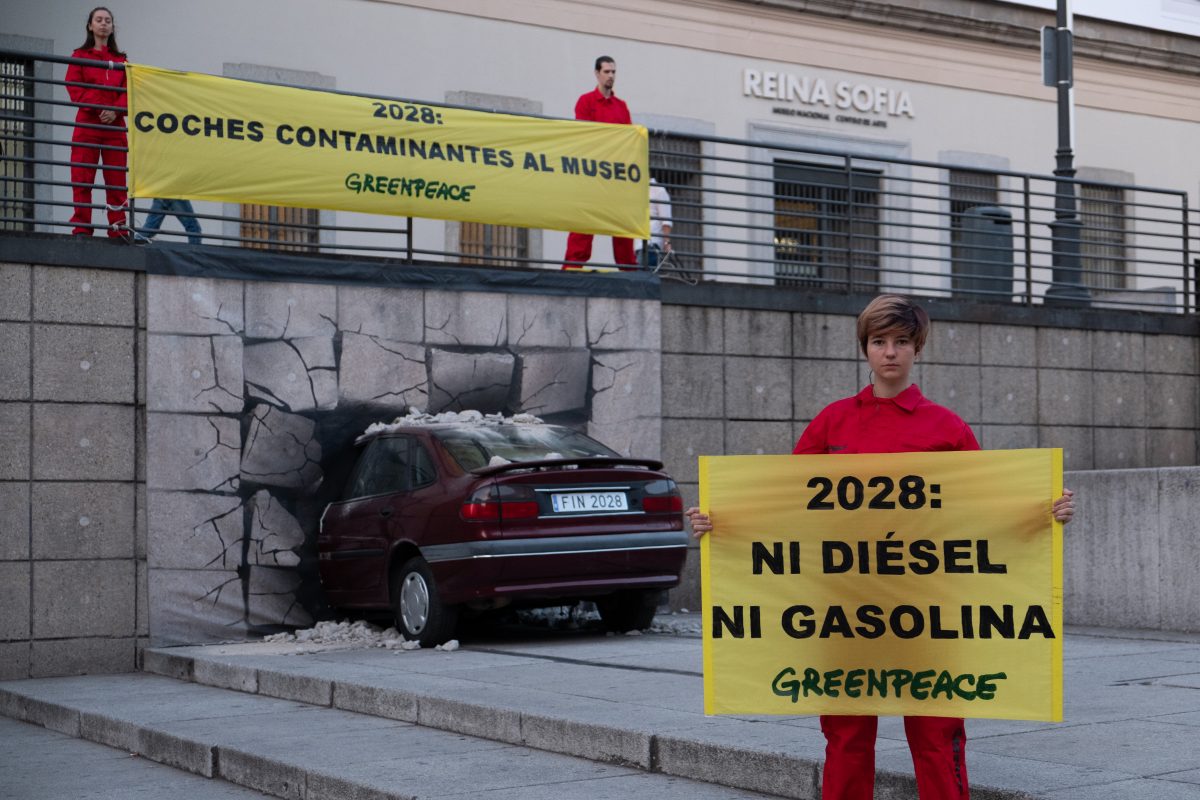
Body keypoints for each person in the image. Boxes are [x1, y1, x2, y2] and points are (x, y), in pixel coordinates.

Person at [686, 294, 1076, 800]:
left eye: (901, 342)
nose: (889, 352)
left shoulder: (946, 427)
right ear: (865, 350)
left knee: (936, 733)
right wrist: (721, 520)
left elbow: (987, 503)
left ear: (917, 349)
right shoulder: (833, 422)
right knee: (846, 734)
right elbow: (785, 499)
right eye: (879, 342)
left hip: (930, 604)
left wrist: (1044, 511)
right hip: (845, 605)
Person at [562, 56, 638, 271]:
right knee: (584, 222)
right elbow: (584, 135)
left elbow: (628, 139)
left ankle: (629, 270)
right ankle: (572, 268)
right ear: (597, 74)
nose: (611, 76)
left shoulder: (621, 106)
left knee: (622, 222)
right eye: (606, 72)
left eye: (613, 72)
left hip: (615, 174)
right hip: (592, 173)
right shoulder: (585, 101)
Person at [66, 7, 132, 240]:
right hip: (87, 125)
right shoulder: (79, 56)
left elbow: (131, 90)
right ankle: (82, 227)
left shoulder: (122, 60)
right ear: (90, 26)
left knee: (116, 180)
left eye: (108, 20)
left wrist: (115, 110)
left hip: (114, 127)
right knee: (82, 177)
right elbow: (74, 88)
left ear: (112, 27)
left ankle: (118, 227)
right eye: (99, 20)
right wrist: (101, 108)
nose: (103, 24)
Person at [638, 178, 673, 268]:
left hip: (652, 242)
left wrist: (667, 242)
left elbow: (666, 219)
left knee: (644, 274)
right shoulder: (636, 190)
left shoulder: (659, 191)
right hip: (637, 243)